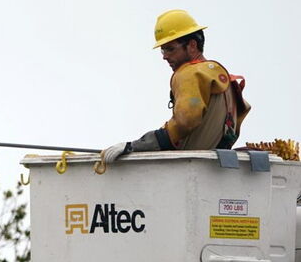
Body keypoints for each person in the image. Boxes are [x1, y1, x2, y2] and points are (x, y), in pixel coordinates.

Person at [101, 9, 249, 164]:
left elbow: (185, 121)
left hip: (189, 167)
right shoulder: (221, 79)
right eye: (163, 50)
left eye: (170, 49)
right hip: (215, 166)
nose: (165, 56)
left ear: (192, 45)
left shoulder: (188, 74)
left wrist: (133, 147)